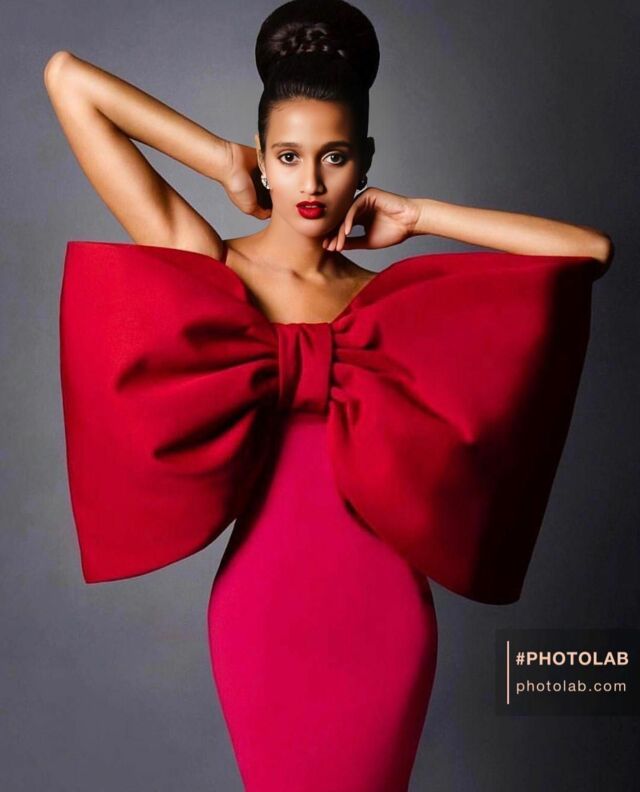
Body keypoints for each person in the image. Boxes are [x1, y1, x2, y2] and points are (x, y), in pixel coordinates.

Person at [44, 1, 614, 789]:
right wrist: (220, 160)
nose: (310, 183)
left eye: (335, 157)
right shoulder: (213, 267)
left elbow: (590, 252)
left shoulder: (390, 305)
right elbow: (68, 82)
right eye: (288, 156)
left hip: (385, 610)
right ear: (265, 159)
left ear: (365, 161)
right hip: (261, 611)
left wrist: (422, 216)